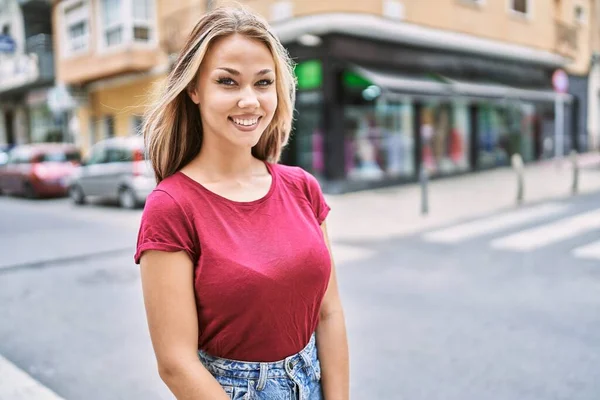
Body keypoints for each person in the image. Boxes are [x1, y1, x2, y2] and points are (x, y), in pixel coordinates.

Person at [134, 5, 349, 400]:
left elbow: (329, 313)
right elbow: (176, 364)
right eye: (228, 82)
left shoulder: (302, 187)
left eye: (263, 82)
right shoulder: (172, 206)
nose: (250, 100)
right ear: (194, 90)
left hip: (313, 383)